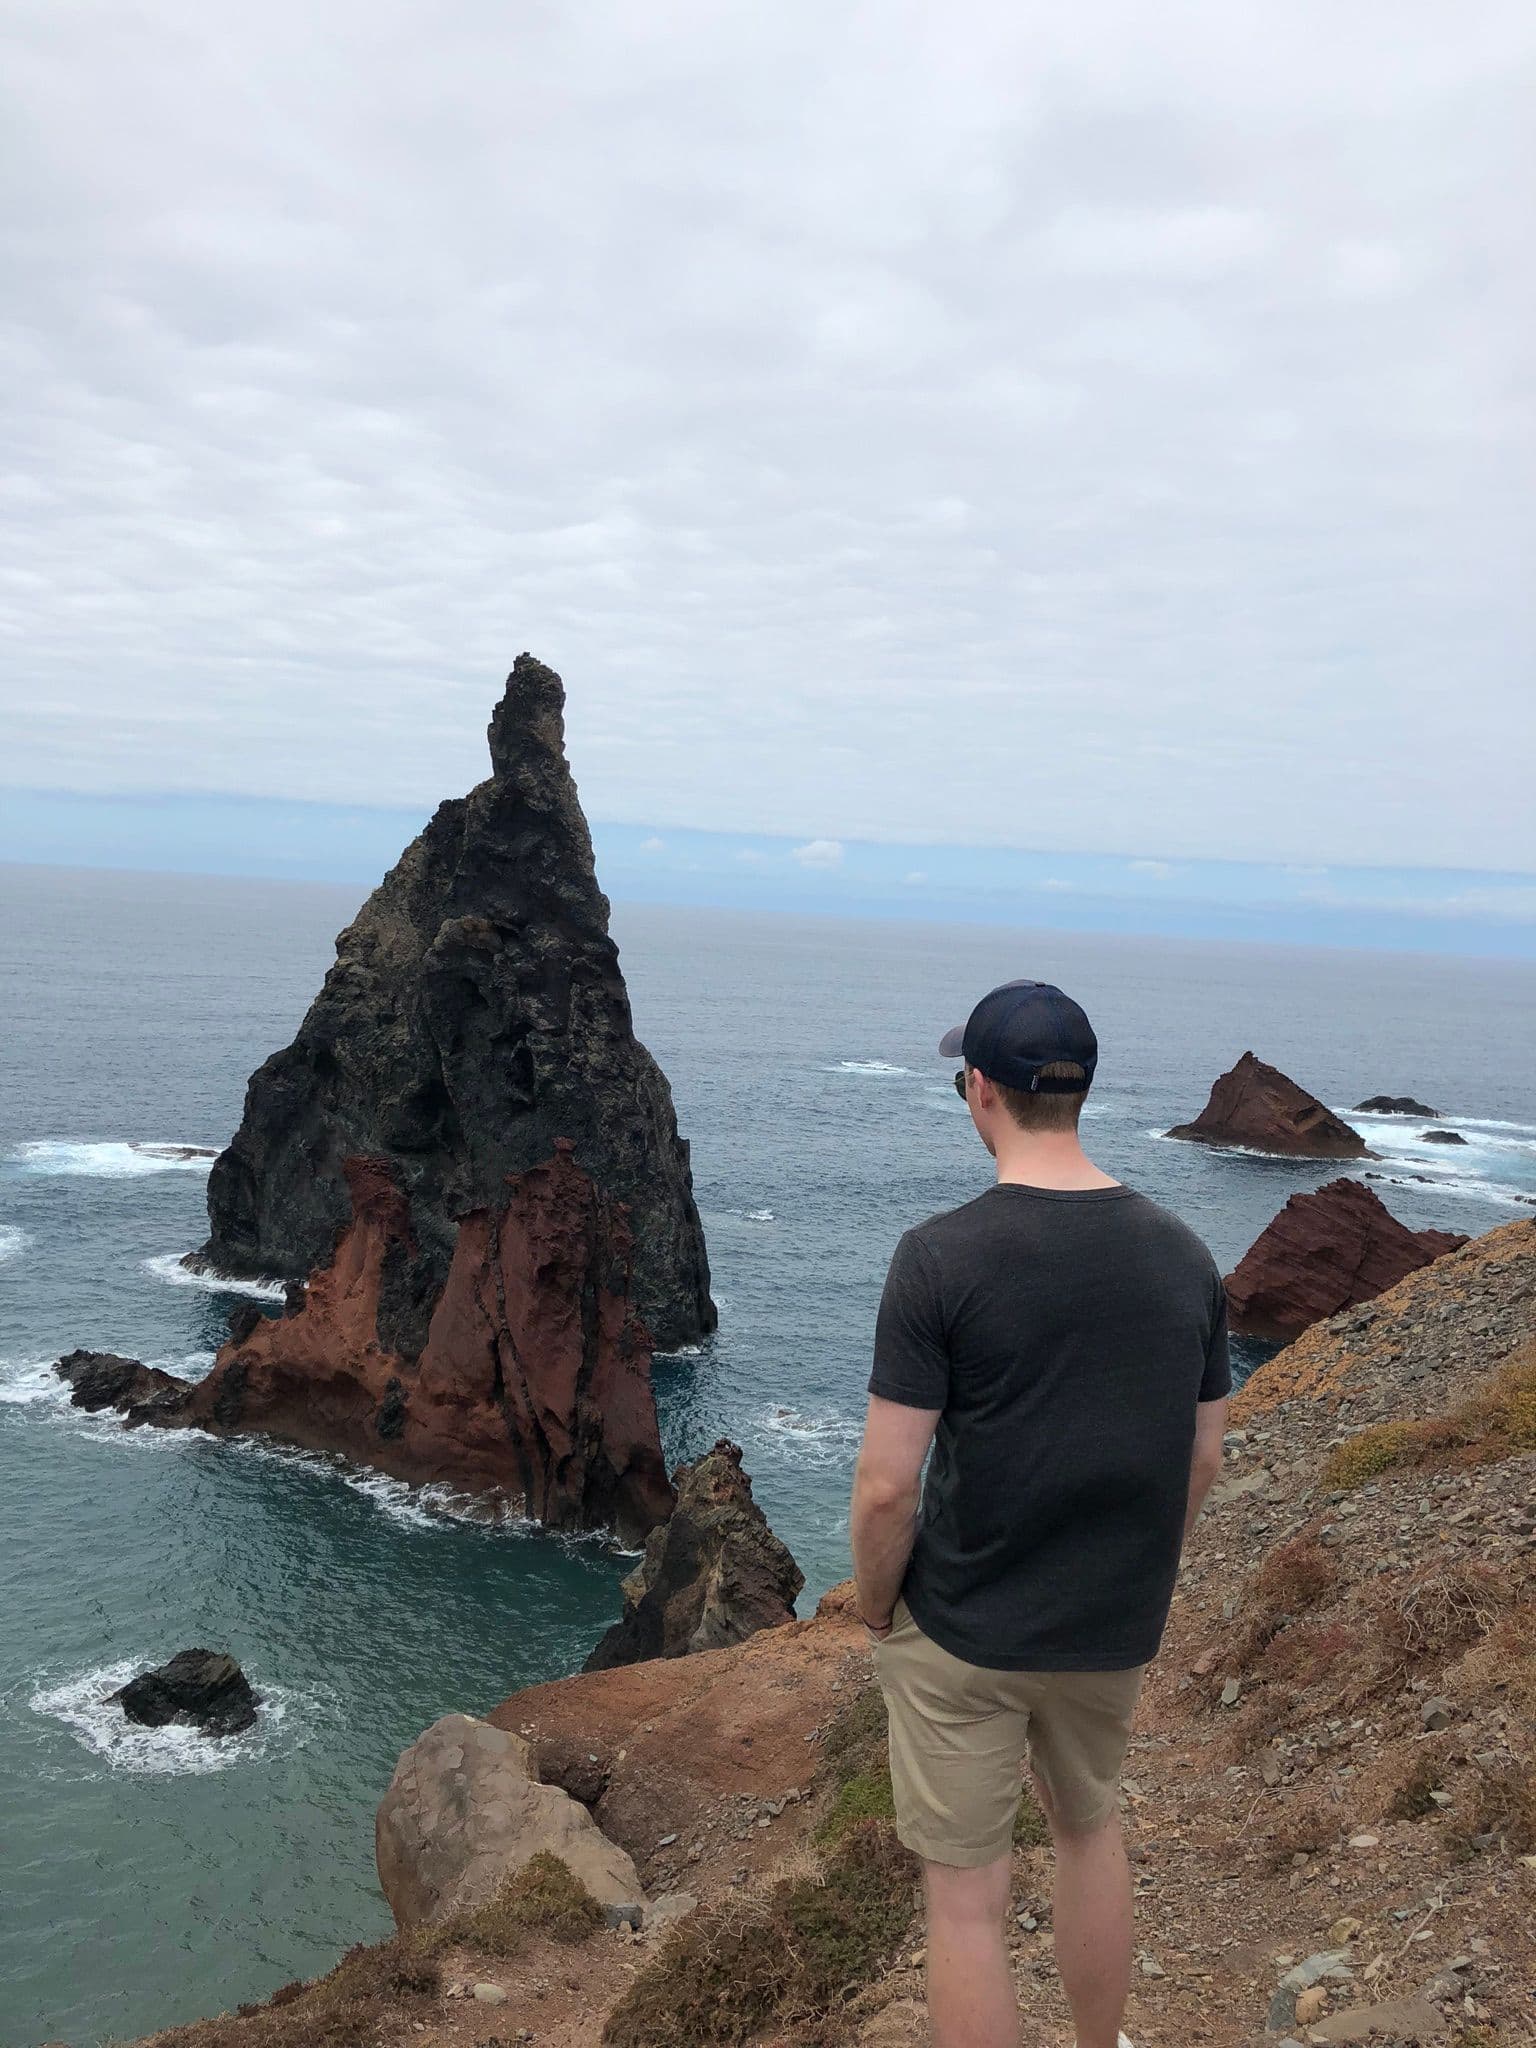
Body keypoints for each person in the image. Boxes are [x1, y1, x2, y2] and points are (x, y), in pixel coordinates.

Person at [849, 980, 1230, 2048]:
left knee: (966, 1900)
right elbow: (1200, 1455)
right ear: (1081, 1090)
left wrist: (880, 1607)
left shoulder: (939, 1256)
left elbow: (886, 1485)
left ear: (980, 1090)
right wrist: (1137, 1570)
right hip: (1111, 1619)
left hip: (965, 1624)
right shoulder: (1185, 1254)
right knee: (1090, 1828)